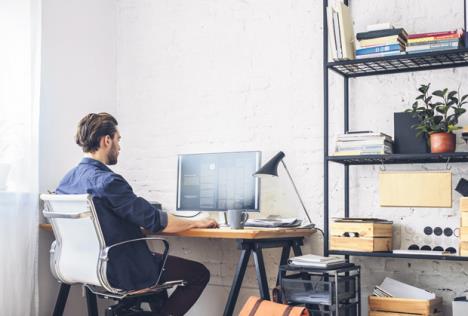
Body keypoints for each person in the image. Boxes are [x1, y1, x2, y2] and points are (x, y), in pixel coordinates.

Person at [56, 112, 218, 316]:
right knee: (199, 273)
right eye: (118, 140)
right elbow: (157, 222)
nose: (120, 147)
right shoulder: (107, 181)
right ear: (107, 140)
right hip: (120, 268)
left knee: (155, 283)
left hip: (84, 266)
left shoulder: (67, 180)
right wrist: (197, 222)